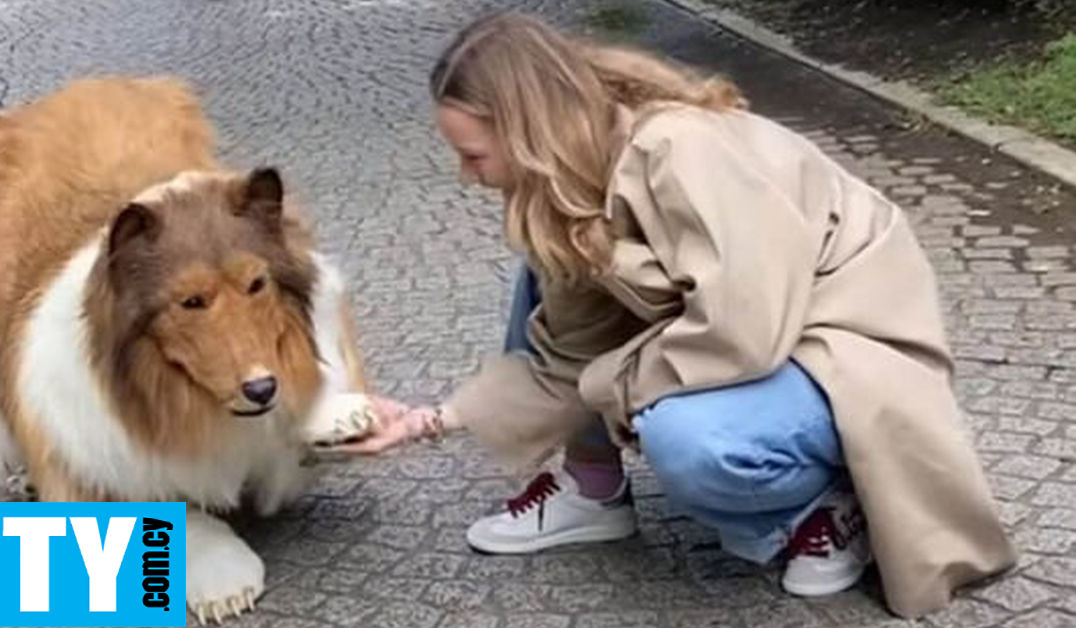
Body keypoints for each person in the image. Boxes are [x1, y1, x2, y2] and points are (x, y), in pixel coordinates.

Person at [342, 12, 1015, 618]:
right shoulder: (566, 186)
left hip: (844, 345)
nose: (467, 175)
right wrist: (429, 420)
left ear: (525, 129)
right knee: (547, 272)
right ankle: (591, 486)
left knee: (690, 440)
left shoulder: (681, 149)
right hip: (761, 339)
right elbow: (566, 355)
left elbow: (742, 333)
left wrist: (613, 385)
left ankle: (827, 505)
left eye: (473, 155)